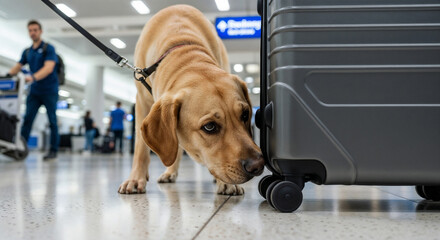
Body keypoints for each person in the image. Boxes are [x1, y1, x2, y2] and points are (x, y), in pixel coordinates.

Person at [7, 20, 59, 160]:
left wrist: (33, 77)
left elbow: (49, 68)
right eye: (30, 30)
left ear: (40, 31)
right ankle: (20, 148)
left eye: (35, 30)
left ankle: (53, 150)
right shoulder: (28, 51)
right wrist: (6, 76)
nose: (32, 32)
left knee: (52, 121)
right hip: (35, 91)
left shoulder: (49, 48)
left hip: (49, 90)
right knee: (27, 120)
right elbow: (17, 66)